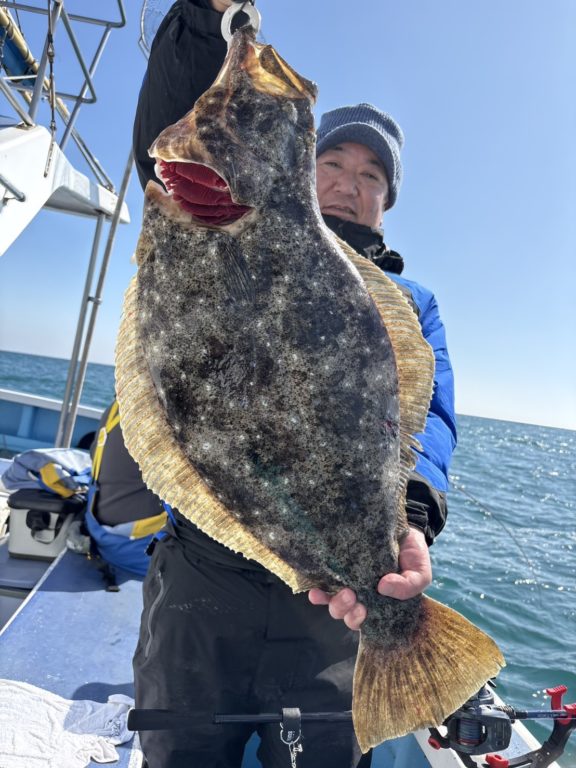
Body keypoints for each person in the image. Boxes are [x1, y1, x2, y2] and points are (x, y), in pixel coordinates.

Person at [130, 2, 457, 766]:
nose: (350, 184)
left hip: (331, 612)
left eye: (371, 175)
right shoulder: (214, 221)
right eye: (333, 164)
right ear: (303, 173)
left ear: (387, 201)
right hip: (205, 569)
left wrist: (407, 518)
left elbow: (431, 420)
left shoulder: (412, 305)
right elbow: (172, 137)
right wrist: (205, 17)